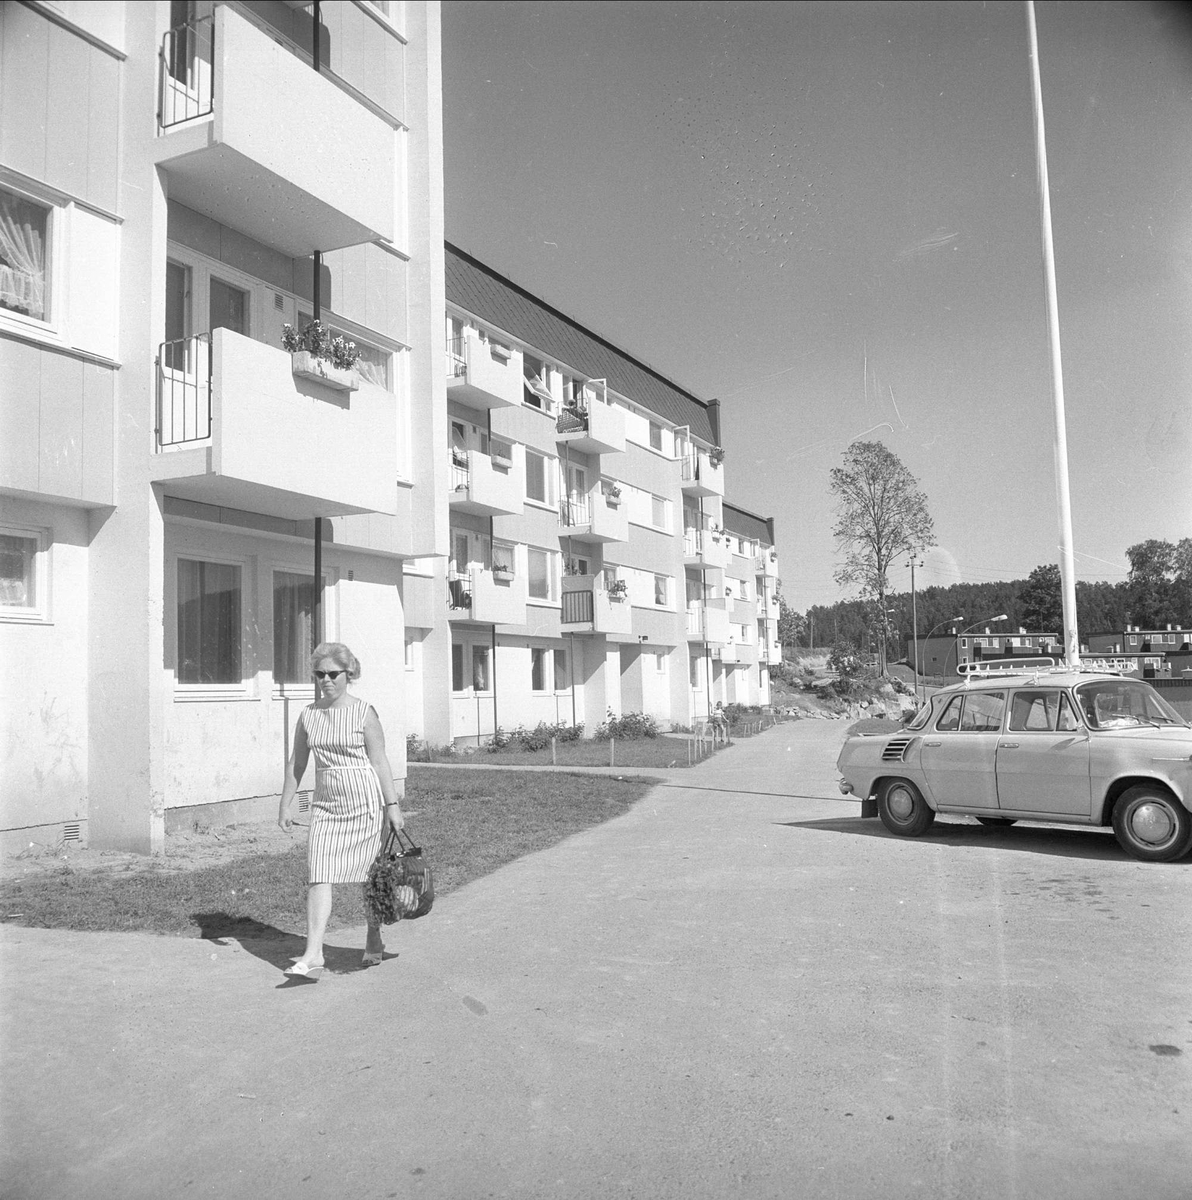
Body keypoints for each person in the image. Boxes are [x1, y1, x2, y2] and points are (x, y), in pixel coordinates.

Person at [278, 642, 404, 978]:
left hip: (363, 803)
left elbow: (379, 761)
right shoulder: (308, 715)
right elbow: (297, 762)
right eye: (319, 674)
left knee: (368, 876)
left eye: (333, 674)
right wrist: (285, 804)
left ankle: (373, 936)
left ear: (349, 674)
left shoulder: (365, 713)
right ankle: (314, 952)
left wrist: (392, 807)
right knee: (318, 872)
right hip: (325, 805)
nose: (326, 680)